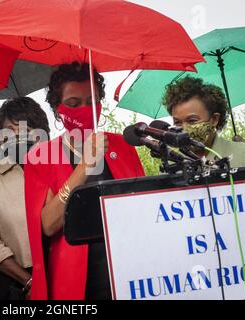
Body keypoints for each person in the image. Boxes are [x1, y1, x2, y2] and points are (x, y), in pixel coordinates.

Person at [24, 62, 145, 300]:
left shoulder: (122, 145)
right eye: (73, 103)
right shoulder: (41, 156)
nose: (85, 109)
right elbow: (49, 224)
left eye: (92, 101)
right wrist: (85, 167)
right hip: (78, 278)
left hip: (128, 270)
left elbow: (141, 205)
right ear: (57, 108)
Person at [0, 97, 50, 300]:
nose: (18, 136)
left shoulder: (57, 170)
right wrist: (29, 281)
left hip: (63, 275)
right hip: (15, 286)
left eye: (26, 129)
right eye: (9, 130)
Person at [162, 77, 245, 167]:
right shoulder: (172, 162)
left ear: (214, 119)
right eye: (178, 122)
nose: (184, 128)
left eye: (192, 120)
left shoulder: (244, 155)